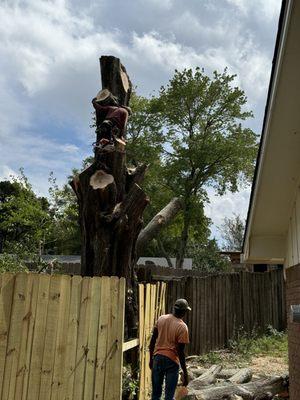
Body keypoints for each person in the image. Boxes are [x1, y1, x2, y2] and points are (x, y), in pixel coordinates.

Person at [149, 299, 191, 400]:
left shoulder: (161, 319)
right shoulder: (182, 327)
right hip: (171, 362)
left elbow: (152, 341)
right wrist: (185, 373)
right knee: (169, 396)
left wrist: (151, 359)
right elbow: (180, 352)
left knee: (155, 394)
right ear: (184, 312)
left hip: (157, 358)